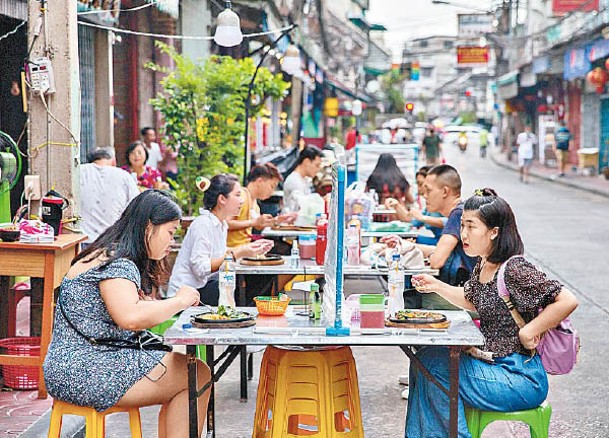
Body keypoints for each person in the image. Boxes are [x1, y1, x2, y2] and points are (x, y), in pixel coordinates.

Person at [406, 188, 578, 438]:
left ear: (494, 231)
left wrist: (531, 329)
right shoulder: (484, 264)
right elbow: (471, 300)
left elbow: (567, 300)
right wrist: (435, 285)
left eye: (471, 227)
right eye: (462, 225)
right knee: (426, 358)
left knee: (432, 366)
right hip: (494, 367)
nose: (463, 234)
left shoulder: (514, 268)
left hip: (520, 377)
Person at [43, 190, 211, 437]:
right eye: (170, 232)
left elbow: (132, 309)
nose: (171, 242)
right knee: (196, 374)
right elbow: (130, 316)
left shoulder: (107, 253)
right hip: (85, 370)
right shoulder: (118, 263)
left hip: (73, 365)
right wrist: (180, 301)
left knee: (188, 373)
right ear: (148, 227)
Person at [168, 174, 274, 304]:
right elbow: (201, 268)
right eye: (237, 195)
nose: (241, 201)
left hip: (202, 290)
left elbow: (219, 253)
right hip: (184, 296)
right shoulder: (203, 224)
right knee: (225, 284)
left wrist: (250, 249)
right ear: (222, 199)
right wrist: (238, 253)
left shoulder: (221, 224)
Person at [382, 164, 477, 309]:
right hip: (473, 291)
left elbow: (437, 261)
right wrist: (404, 244)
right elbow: (439, 250)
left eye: (428, 190)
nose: (424, 195)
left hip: (472, 297)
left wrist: (430, 253)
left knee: (409, 302)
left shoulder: (458, 214)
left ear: (445, 191)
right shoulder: (462, 210)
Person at [79, 147, 139, 245]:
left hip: (82, 242)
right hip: (113, 241)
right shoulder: (124, 176)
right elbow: (137, 208)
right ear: (113, 161)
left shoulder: (79, 172)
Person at [227, 163, 296, 248]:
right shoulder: (241, 196)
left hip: (246, 247)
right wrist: (254, 222)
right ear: (259, 181)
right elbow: (226, 223)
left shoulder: (255, 203)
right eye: (272, 186)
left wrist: (276, 221)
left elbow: (258, 226)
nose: (272, 191)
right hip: (233, 250)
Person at [385, 166, 446, 246]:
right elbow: (411, 220)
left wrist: (423, 218)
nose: (418, 189)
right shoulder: (430, 206)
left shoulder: (445, 204)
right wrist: (396, 205)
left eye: (421, 184)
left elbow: (450, 221)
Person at [283, 146, 323, 212]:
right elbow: (302, 207)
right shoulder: (294, 181)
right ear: (306, 162)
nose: (318, 169)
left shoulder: (304, 179)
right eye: (317, 165)